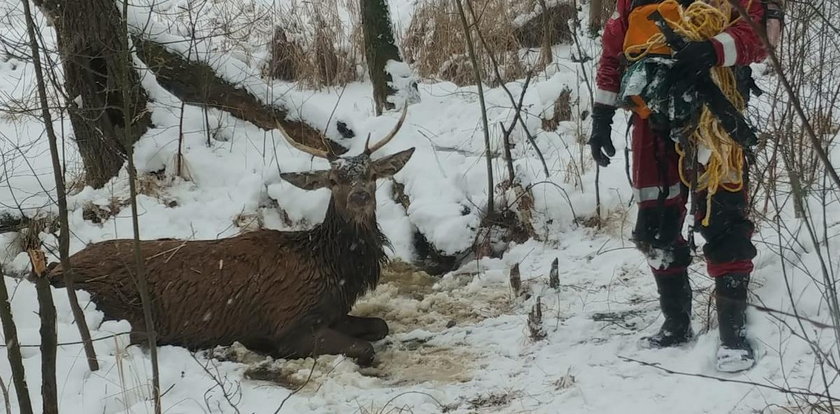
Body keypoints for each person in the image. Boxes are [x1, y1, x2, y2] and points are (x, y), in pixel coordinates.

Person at [589, 0, 768, 373]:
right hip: (650, 118)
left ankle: (733, 335)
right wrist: (602, 116)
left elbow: (758, 36)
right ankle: (676, 323)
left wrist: (712, 49)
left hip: (715, 115)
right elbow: (612, 55)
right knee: (656, 225)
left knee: (725, 219)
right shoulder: (631, 4)